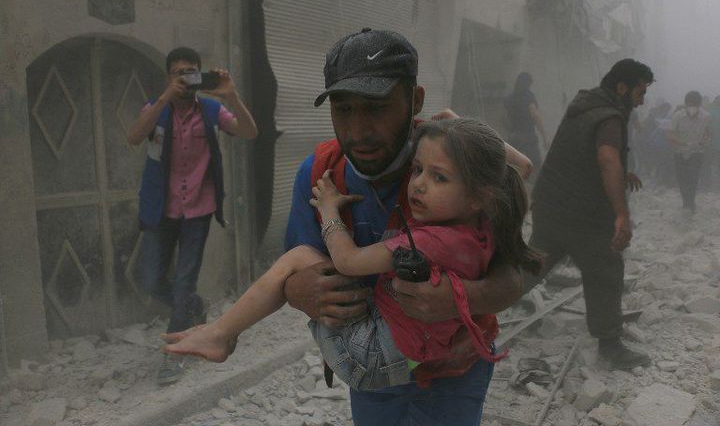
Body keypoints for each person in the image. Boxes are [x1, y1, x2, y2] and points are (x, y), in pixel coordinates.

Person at [164, 29, 530, 424]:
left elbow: (517, 272)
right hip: (376, 377)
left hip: (455, 370)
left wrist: (463, 297)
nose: (358, 131)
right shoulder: (320, 174)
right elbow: (296, 266)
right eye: (343, 109)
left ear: (416, 101)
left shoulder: (456, 170)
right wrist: (298, 289)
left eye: (376, 107)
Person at [162, 119, 542, 399]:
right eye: (418, 169)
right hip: (413, 355)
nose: (418, 185)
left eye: (439, 177)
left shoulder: (432, 240)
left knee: (300, 257)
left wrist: (329, 210)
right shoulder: (483, 222)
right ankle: (220, 333)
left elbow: (348, 261)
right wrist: (451, 129)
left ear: (479, 194)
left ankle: (222, 334)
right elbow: (520, 164)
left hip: (370, 360)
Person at [127, 46, 258, 385]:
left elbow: (249, 131)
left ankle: (175, 355)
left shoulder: (213, 111)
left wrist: (232, 96)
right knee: (151, 280)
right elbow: (134, 136)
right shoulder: (155, 110)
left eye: (191, 72)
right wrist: (164, 97)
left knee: (184, 281)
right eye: (178, 73)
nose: (185, 79)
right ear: (169, 77)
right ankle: (193, 308)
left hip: (198, 211)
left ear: (200, 76)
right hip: (161, 211)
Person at [526, 59, 654, 371]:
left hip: (551, 203)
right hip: (581, 213)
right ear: (622, 88)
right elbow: (606, 158)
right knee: (606, 270)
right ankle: (610, 344)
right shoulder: (610, 117)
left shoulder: (585, 106)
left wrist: (624, 173)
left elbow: (584, 154)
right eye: (640, 91)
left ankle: (469, 308)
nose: (642, 100)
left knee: (532, 265)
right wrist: (622, 214)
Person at [666, 90, 711, 213]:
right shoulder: (677, 116)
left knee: (693, 177)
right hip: (680, 152)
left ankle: (690, 203)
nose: (692, 108)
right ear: (686, 104)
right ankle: (686, 201)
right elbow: (670, 134)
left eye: (694, 105)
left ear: (699, 105)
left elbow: (707, 132)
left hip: (697, 152)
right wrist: (683, 143)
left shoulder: (705, 116)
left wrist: (704, 140)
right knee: (682, 178)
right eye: (689, 105)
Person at [504, 72, 548, 174]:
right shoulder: (529, 96)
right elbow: (535, 115)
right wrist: (544, 137)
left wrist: (511, 130)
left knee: (512, 167)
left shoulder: (509, 98)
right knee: (535, 167)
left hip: (514, 137)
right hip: (528, 136)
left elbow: (504, 118)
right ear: (527, 83)